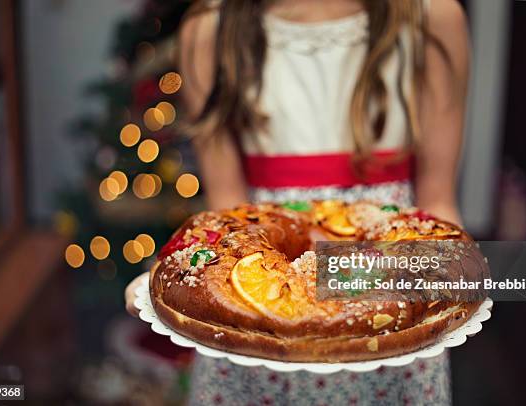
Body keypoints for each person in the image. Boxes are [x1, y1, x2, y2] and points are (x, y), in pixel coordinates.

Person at [126, 0, 469, 404]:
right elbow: (226, 217)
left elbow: (438, 205)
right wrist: (170, 276)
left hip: (390, 333)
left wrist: (466, 274)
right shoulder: (210, 30)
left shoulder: (431, 17)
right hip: (257, 332)